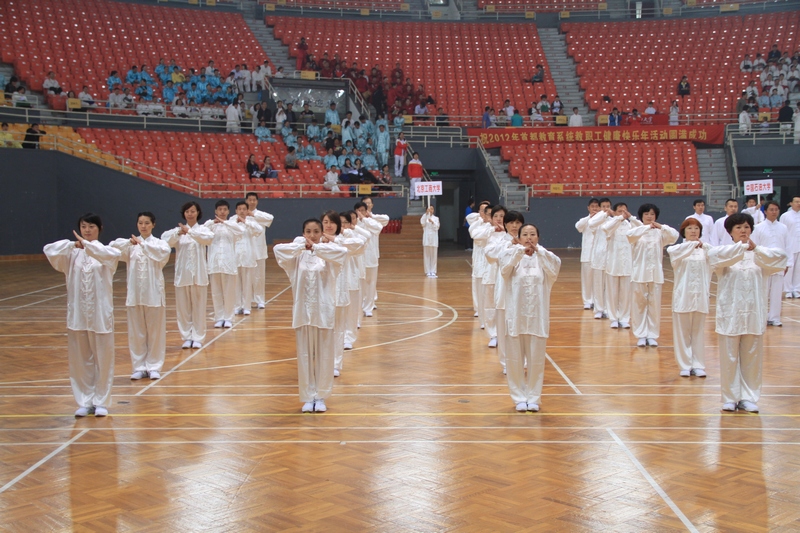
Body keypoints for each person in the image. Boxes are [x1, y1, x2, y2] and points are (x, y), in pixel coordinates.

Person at [708, 213, 787, 413]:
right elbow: (714, 259)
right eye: (738, 228)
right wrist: (740, 248)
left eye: (746, 227)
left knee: (751, 356)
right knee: (729, 356)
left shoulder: (761, 255)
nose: (743, 231)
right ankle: (729, 397)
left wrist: (755, 248)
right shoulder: (722, 252)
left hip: (753, 314)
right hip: (730, 313)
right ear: (730, 232)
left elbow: (780, 259)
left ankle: (749, 397)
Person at [43, 214, 121, 417]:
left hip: (100, 314)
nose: (87, 230)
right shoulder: (71, 255)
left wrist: (88, 245)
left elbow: (107, 255)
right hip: (78, 314)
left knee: (103, 358)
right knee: (80, 359)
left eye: (91, 226)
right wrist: (72, 245)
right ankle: (84, 400)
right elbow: (49, 250)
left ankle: (101, 401)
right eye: (83, 227)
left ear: (100, 228)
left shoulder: (108, 252)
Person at [274, 219, 347, 413]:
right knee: (305, 355)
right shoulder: (297, 257)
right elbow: (278, 250)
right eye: (308, 231)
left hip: (323, 313)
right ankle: (308, 396)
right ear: (303, 233)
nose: (312, 235)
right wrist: (301, 245)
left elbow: (343, 253)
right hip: (302, 313)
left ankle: (321, 396)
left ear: (322, 233)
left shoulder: (329, 252)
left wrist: (317, 248)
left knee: (324, 355)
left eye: (316, 231)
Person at [499, 224, 561, 412]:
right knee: (515, 360)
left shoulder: (545, 258)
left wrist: (539, 252)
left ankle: (534, 397)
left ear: (538, 237)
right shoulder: (510, 255)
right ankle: (518, 397)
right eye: (524, 234)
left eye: (532, 234)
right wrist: (519, 252)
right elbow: (504, 271)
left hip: (537, 318)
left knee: (536, 360)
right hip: (515, 317)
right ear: (518, 237)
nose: (528, 238)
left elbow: (554, 270)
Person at [110, 212, 171, 381]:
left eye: (146, 223)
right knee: (136, 332)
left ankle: (154, 366)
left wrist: (142, 245)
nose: (143, 226)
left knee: (155, 332)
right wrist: (130, 242)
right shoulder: (130, 245)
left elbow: (161, 255)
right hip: (135, 295)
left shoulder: (160, 244)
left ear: (153, 225)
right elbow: (112, 248)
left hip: (154, 294)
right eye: (140, 223)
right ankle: (138, 366)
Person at [161, 202, 213, 349]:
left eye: (193, 211)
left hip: (199, 275)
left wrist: (190, 232)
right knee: (183, 308)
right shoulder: (177, 231)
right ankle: (186, 336)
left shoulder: (203, 230)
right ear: (184, 213)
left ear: (198, 213)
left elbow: (208, 239)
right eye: (187, 211)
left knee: (198, 307)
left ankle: (198, 337)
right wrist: (179, 233)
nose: (190, 214)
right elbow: (165, 242)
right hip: (182, 275)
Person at [626, 204, 679, 347]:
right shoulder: (636, 231)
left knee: (654, 305)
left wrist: (661, 227)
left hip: (655, 274)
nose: (650, 217)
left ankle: (652, 334)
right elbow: (629, 236)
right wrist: (646, 227)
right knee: (639, 304)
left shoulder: (660, 234)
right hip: (639, 273)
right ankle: (640, 335)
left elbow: (674, 236)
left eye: (652, 214)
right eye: (647, 214)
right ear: (641, 216)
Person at [321, 211, 366, 377]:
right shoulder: (316, 242)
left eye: (333, 222)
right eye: (326, 221)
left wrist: (336, 238)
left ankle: (335, 364)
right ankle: (322, 361)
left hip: (339, 293)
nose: (329, 225)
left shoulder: (344, 242)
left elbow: (361, 244)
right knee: (323, 330)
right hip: (321, 294)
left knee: (338, 330)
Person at [667, 219, 712, 378]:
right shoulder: (677, 249)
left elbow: (719, 257)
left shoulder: (706, 250)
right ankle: (685, 365)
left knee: (699, 332)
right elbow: (677, 253)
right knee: (683, 332)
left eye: (696, 228)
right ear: (684, 231)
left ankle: (698, 364)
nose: (693, 231)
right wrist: (693, 245)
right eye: (690, 228)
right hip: (683, 295)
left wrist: (703, 246)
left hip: (700, 296)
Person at [485, 210, 525, 375]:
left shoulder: (527, 240)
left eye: (517, 223)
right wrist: (510, 244)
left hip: (522, 290)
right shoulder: (499, 240)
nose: (514, 226)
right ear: (506, 224)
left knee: (521, 328)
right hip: (504, 290)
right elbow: (490, 254)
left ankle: (522, 361)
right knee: (503, 330)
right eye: (511, 223)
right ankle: (506, 363)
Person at [204, 200, 243, 329]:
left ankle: (228, 317)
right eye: (219, 209)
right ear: (216, 211)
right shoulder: (210, 225)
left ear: (228, 211)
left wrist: (225, 222)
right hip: (214, 264)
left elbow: (240, 231)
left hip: (228, 263)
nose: (222, 212)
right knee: (216, 292)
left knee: (229, 292)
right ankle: (219, 317)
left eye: (224, 209)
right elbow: (202, 231)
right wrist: (212, 222)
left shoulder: (232, 225)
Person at [602, 202, 640, 331]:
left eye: (625, 211)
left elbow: (641, 229)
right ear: (615, 212)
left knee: (626, 293)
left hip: (627, 264)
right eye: (619, 211)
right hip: (613, 263)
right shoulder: (611, 224)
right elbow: (606, 229)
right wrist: (618, 218)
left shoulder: (630, 225)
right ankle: (613, 318)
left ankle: (624, 318)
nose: (623, 213)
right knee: (612, 292)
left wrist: (631, 218)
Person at [752, 201, 791, 326]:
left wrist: (787, 263)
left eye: (776, 210)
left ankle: (774, 317)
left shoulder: (783, 228)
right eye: (771, 209)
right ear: (765, 211)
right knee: (763, 291)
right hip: (763, 263)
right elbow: (754, 246)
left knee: (776, 291)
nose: (774, 212)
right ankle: (762, 317)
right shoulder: (758, 227)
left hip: (779, 263)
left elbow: (788, 246)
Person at [356, 198, 389, 317]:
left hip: (372, 256)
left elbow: (380, 226)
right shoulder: (354, 223)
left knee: (371, 282)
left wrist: (367, 218)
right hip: (359, 257)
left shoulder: (374, 221)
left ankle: (369, 306)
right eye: (359, 210)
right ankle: (361, 304)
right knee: (361, 281)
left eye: (363, 210)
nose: (361, 212)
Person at [481, 205, 508, 349]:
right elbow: (476, 234)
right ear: (491, 218)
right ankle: (493, 334)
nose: (498, 219)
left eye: (502, 216)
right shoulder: (486, 230)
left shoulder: (510, 233)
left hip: (505, 274)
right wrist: (492, 228)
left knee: (504, 305)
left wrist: (506, 232)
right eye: (496, 216)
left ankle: (504, 333)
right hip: (490, 273)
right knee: (490, 305)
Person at [231, 201, 264, 317]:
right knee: (236, 283)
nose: (241, 211)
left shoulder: (251, 222)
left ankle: (246, 306)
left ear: (247, 210)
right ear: (236, 211)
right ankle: (237, 306)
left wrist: (246, 222)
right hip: (235, 257)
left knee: (247, 282)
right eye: (239, 209)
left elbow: (259, 230)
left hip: (248, 257)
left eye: (244, 209)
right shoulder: (231, 221)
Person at [245, 193, 275, 310]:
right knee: (246, 278)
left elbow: (270, 218)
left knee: (259, 277)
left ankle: (259, 300)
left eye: (254, 200)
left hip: (259, 250)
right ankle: (246, 301)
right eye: (250, 200)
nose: (252, 202)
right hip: (245, 251)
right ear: (246, 201)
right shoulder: (241, 215)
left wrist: (253, 215)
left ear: (257, 202)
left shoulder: (261, 215)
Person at [589, 197, 613, 319]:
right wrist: (602, 215)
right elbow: (591, 224)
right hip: (598, 256)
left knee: (609, 285)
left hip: (610, 256)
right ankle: (599, 309)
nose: (605, 209)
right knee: (598, 284)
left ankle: (608, 308)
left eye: (607, 206)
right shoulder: (595, 220)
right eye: (603, 206)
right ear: (599, 208)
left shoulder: (614, 220)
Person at [575, 198, 600, 310]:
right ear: (588, 208)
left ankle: (597, 301)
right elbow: (578, 227)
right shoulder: (584, 220)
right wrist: (589, 217)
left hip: (599, 255)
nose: (594, 208)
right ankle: (587, 301)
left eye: (596, 206)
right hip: (587, 255)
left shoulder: (603, 220)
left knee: (598, 279)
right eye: (592, 206)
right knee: (587, 279)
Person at [780, 196, 800, 298]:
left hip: (799, 245)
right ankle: (787, 290)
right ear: (791, 203)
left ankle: (796, 289)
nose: (798, 204)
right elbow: (782, 230)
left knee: (798, 269)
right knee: (789, 267)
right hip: (789, 245)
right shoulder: (785, 216)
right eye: (796, 202)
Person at [421, 205, 440, 277]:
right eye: (429, 209)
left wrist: (432, 222)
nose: (431, 210)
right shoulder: (424, 217)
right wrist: (426, 216)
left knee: (434, 256)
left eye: (432, 209)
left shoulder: (436, 218)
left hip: (434, 240)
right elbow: (422, 224)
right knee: (427, 256)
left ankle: (433, 271)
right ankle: (428, 271)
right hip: (426, 239)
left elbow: (437, 227)